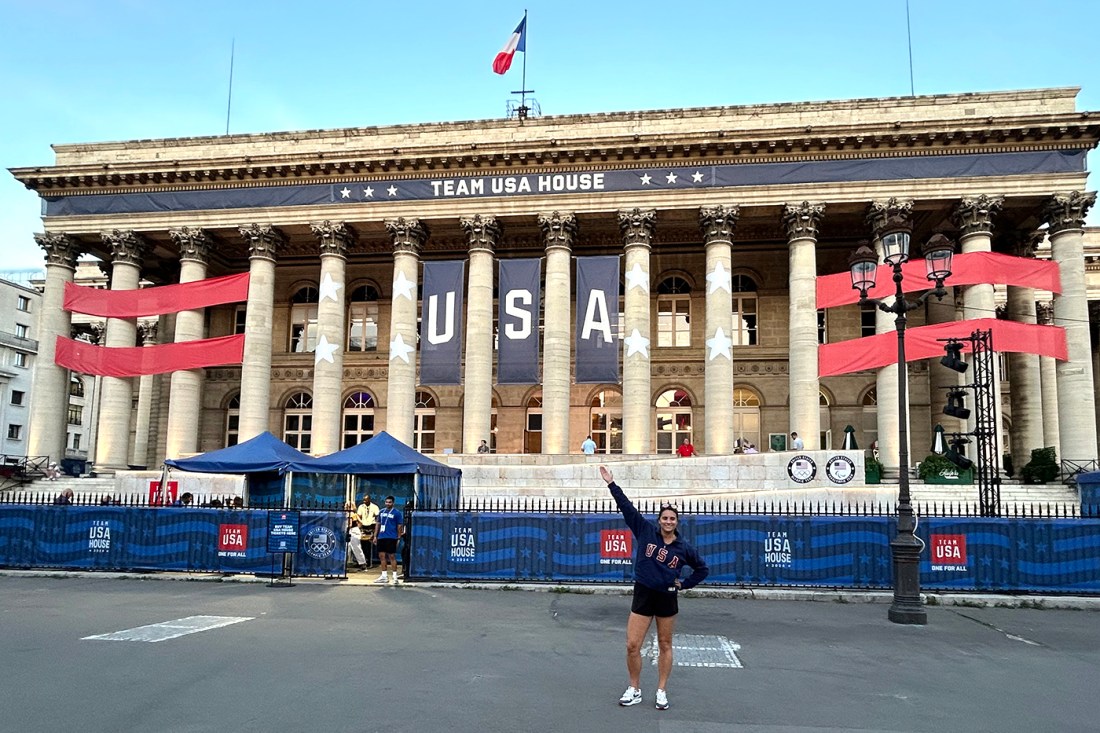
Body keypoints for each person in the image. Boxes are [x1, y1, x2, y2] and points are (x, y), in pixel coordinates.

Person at [599, 465, 708, 712]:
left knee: (665, 644)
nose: (668, 522)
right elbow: (627, 508)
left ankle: (661, 691)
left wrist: (684, 584)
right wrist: (611, 484)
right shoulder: (646, 531)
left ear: (677, 522)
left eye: (672, 519)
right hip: (644, 592)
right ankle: (634, 688)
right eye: (664, 518)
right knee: (632, 644)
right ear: (659, 520)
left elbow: (702, 569)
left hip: (667, 597)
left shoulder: (684, 548)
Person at [373, 495, 404, 584]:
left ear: (393, 503)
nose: (388, 503)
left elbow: (399, 526)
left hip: (391, 537)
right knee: (382, 556)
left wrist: (398, 537)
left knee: (392, 557)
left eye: (390, 502)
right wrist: (375, 536)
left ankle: (395, 577)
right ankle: (384, 576)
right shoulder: (381, 512)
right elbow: (378, 524)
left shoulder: (397, 513)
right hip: (381, 537)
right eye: (386, 502)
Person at [357, 493, 380, 568]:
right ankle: (363, 561)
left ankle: (370, 561)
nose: (364, 501)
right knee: (362, 545)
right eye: (363, 500)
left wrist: (375, 528)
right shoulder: (361, 507)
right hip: (364, 526)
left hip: (371, 526)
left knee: (370, 545)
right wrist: (360, 524)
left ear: (369, 500)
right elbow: (359, 516)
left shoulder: (374, 507)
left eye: (366, 500)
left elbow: (377, 517)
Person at [344, 501, 368, 571]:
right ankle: (363, 564)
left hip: (352, 531)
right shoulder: (355, 514)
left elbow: (350, 524)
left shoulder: (350, 514)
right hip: (355, 530)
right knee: (354, 548)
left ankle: (343, 564)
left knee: (351, 548)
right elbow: (361, 522)